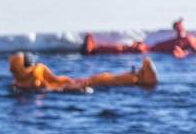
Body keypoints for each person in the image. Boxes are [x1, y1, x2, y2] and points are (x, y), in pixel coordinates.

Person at [9, 52, 158, 92]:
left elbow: (48, 81)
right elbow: (48, 81)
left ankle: (137, 77)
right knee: (102, 80)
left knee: (101, 79)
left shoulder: (32, 75)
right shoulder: (35, 73)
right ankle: (137, 78)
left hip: (69, 84)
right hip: (70, 84)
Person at [82, 18, 196, 58]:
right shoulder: (185, 39)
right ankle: (95, 48)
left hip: (148, 51)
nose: (179, 29)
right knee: (123, 49)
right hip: (148, 48)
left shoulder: (188, 40)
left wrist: (182, 54)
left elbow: (179, 53)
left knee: (122, 50)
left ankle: (95, 49)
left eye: (180, 27)